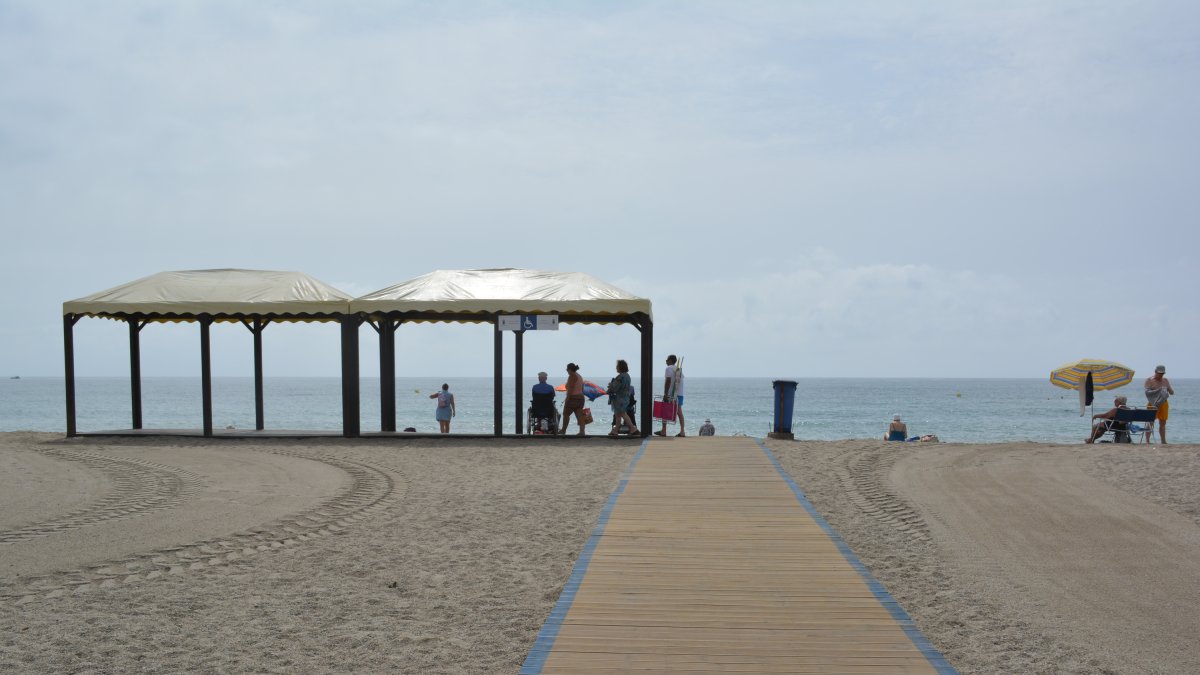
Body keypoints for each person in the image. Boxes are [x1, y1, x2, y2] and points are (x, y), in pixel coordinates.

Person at [607, 359, 639, 437]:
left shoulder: (620, 377)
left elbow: (616, 387)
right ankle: (615, 430)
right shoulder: (627, 376)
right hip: (625, 398)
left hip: (619, 399)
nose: (616, 368)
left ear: (620, 367)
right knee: (618, 414)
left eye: (617, 366)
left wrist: (610, 385)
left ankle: (632, 428)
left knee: (622, 414)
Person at [655, 354, 685, 437]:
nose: (666, 361)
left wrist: (665, 393)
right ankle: (682, 431)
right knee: (679, 412)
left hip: (671, 394)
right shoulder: (679, 369)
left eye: (667, 359)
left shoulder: (668, 368)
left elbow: (668, 381)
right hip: (680, 393)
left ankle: (663, 431)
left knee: (664, 410)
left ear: (671, 360)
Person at [1144, 365, 1175, 444]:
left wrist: (1166, 390)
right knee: (1150, 422)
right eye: (1159, 373)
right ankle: (1147, 441)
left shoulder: (1165, 380)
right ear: (1155, 372)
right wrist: (1158, 390)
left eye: (1162, 373)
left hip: (1164, 403)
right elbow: (1147, 393)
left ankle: (1163, 441)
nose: (1161, 375)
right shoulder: (1149, 380)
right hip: (1153, 404)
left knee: (1163, 422)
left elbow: (1171, 392)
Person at [559, 363, 589, 436]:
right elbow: (582, 388)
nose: (566, 370)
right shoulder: (579, 376)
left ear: (569, 369)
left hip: (573, 398)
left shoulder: (572, 376)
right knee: (580, 415)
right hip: (581, 398)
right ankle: (582, 431)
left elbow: (570, 389)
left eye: (567, 369)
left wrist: (567, 399)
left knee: (566, 414)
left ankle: (563, 430)